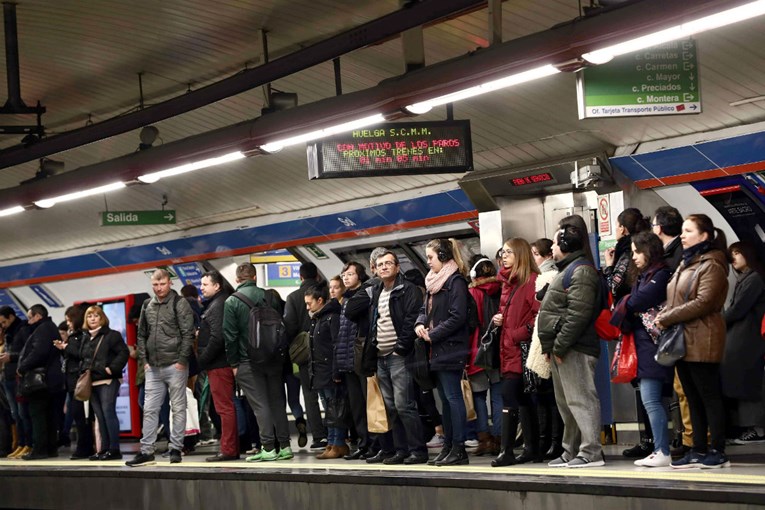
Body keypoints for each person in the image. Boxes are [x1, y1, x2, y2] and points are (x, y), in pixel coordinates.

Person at [656, 214, 730, 469]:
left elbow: (704, 302)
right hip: (684, 339)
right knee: (692, 396)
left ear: (705, 235)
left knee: (709, 395)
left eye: (688, 231)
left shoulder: (713, 263)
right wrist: (668, 314)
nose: (683, 235)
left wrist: (667, 317)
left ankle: (717, 450)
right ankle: (697, 448)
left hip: (703, 337)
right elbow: (677, 298)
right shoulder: (687, 262)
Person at [537, 215, 605, 468]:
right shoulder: (568, 270)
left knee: (581, 399)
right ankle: (571, 449)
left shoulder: (582, 271)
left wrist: (560, 346)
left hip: (575, 348)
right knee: (567, 403)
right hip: (562, 348)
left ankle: (591, 451)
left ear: (565, 245)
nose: (552, 248)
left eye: (555, 243)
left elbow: (578, 314)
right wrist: (551, 348)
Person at [611, 232, 673, 467]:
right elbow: (633, 301)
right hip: (644, 345)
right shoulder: (645, 276)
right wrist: (628, 302)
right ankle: (660, 448)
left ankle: (662, 449)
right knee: (651, 400)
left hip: (653, 345)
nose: (634, 257)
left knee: (651, 400)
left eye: (637, 251)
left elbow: (635, 302)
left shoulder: (661, 274)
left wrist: (626, 302)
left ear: (649, 250)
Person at [361, 250, 426, 465]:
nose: (384, 267)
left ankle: (418, 450)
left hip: (399, 356)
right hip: (380, 356)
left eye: (388, 263)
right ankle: (401, 450)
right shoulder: (376, 291)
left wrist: (400, 348)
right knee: (390, 407)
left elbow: (410, 320)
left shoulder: (408, 290)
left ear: (397, 267)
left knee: (404, 404)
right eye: (380, 264)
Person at [126, 268, 196, 467]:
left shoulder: (179, 303)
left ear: (170, 283)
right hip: (153, 367)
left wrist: (182, 361)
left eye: (162, 284)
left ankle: (176, 448)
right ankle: (146, 451)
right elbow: (141, 335)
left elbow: (187, 334)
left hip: (175, 365)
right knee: (149, 409)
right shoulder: (147, 305)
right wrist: (145, 361)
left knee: (178, 407)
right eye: (155, 285)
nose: (158, 288)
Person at [224, 263, 293, 462]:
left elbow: (230, 336)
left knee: (260, 404)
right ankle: (286, 446)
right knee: (277, 401)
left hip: (247, 361)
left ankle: (268, 447)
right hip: (273, 358)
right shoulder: (270, 296)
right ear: (254, 277)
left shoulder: (232, 302)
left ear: (238, 280)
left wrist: (234, 364)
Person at [415, 239, 471, 466]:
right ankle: (449, 445)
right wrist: (420, 323)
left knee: (453, 398)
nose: (428, 262)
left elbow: (458, 316)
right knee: (446, 401)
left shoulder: (455, 282)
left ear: (444, 256)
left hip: (450, 348)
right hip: (436, 349)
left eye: (431, 257)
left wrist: (434, 333)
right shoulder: (433, 283)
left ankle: (459, 447)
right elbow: (424, 309)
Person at [490, 238, 540, 467]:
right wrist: (499, 320)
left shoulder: (530, 281)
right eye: (503, 252)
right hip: (509, 349)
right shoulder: (508, 283)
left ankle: (507, 450)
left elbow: (538, 314)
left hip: (520, 349)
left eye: (509, 252)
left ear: (520, 254)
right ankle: (531, 448)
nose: (504, 256)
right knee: (522, 398)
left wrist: (518, 333)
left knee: (509, 395)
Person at [651, 205, 690, 458]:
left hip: (681, 328)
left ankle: (691, 440)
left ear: (660, 228)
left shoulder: (676, 257)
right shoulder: (671, 254)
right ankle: (685, 438)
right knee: (680, 388)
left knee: (687, 389)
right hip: (674, 327)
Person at [721, 241, 765, 444]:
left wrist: (717, 321)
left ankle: (756, 428)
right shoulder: (746, 278)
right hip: (743, 335)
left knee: (747, 380)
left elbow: (738, 308)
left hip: (749, 336)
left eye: (738, 253)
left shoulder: (754, 279)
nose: (734, 258)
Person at [283, 262, 327, 450]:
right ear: (316, 275)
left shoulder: (293, 297)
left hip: (304, 353)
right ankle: (337, 435)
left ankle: (318, 436)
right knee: (329, 394)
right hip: (324, 349)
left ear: (300, 277)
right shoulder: (324, 292)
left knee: (310, 396)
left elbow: (290, 326)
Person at [198, 270, 239, 462]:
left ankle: (229, 449)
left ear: (217, 286)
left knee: (224, 408)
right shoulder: (217, 303)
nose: (202, 287)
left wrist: (202, 359)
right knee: (224, 407)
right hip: (219, 363)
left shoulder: (218, 305)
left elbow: (217, 337)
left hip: (219, 364)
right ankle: (229, 446)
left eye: (205, 284)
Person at [79, 305, 129, 461]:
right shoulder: (85, 337)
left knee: (108, 413)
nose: (92, 319)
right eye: (89, 316)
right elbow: (83, 357)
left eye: (96, 315)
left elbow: (124, 352)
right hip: (92, 381)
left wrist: (111, 369)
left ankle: (114, 449)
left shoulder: (111, 335)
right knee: (100, 417)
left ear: (102, 318)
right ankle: (104, 449)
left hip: (108, 380)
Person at [16, 304, 65, 460]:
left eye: (30, 318)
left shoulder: (42, 329)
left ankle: (39, 449)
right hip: (51, 379)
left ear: (38, 316)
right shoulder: (50, 327)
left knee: (38, 414)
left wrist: (22, 367)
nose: (28, 321)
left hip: (41, 380)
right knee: (49, 415)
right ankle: (50, 448)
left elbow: (39, 352)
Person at [465, 255, 502, 457]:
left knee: (478, 396)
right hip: (497, 350)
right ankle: (498, 438)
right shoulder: (502, 290)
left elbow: (469, 325)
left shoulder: (471, 293)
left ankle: (484, 439)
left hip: (476, 351)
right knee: (497, 395)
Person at [305, 283, 347, 459]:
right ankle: (331, 443)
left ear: (320, 300)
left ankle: (338, 443)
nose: (307, 307)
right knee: (329, 409)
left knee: (335, 409)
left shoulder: (331, 317)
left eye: (309, 303)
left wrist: (336, 371)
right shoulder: (318, 318)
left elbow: (337, 345)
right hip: (320, 372)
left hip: (329, 371)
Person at [530, 238, 563, 460]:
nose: (534, 258)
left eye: (536, 254)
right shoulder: (541, 277)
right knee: (546, 394)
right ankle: (549, 441)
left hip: (546, 338)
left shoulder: (549, 277)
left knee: (550, 395)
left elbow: (545, 310)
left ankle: (554, 441)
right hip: (542, 337)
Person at [337, 261, 372, 460]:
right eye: (344, 275)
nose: (346, 278)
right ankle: (363, 442)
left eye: (350, 274)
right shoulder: (345, 300)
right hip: (348, 359)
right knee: (357, 407)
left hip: (361, 358)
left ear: (360, 275)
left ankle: (374, 443)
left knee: (368, 404)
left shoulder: (363, 296)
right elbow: (342, 334)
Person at [53, 305, 95, 459]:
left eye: (69, 321)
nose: (68, 324)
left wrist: (66, 348)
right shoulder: (75, 335)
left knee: (81, 416)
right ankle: (85, 446)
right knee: (78, 415)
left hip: (78, 380)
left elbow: (80, 354)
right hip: (72, 381)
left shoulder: (81, 335)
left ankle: (85, 447)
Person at [0, 306, 31, 459]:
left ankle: (27, 443)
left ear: (11, 317)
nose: (3, 325)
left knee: (22, 413)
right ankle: (20, 443)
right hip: (7, 376)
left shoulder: (22, 330)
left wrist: (10, 357)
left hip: (18, 377)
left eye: (4, 322)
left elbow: (27, 353)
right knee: (15, 414)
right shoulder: (8, 333)